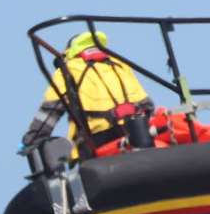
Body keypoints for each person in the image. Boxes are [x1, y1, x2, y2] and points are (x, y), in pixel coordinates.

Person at [22, 30, 154, 154]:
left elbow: (50, 110)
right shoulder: (120, 65)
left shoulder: (68, 69)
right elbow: (147, 105)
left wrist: (31, 140)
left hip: (95, 142)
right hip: (137, 132)